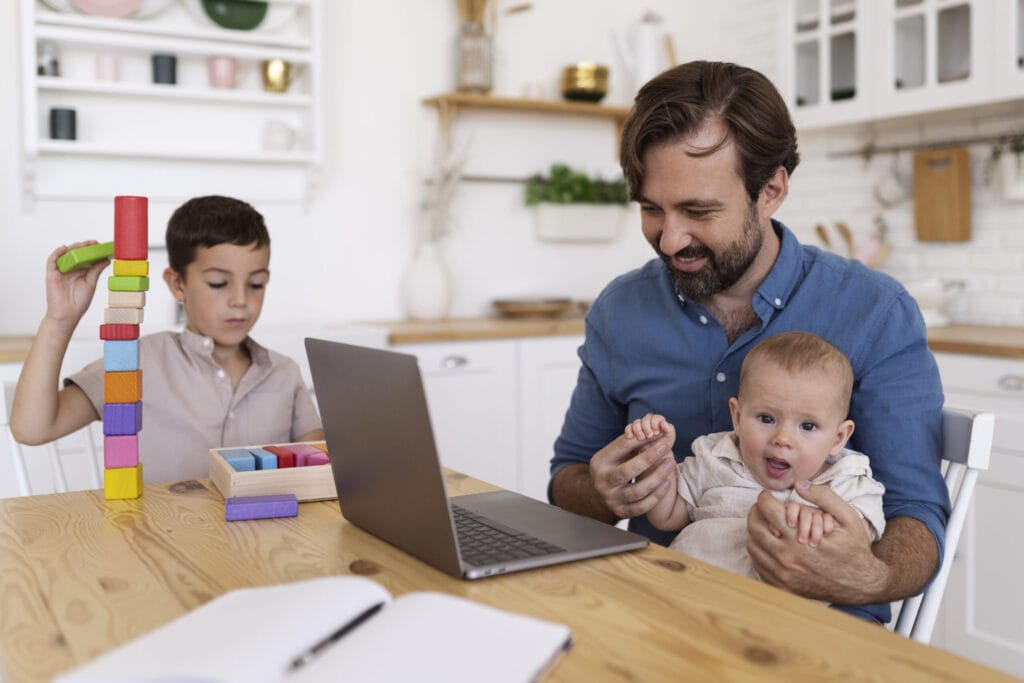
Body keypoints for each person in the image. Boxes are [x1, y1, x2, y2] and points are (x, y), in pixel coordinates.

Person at [548, 61, 948, 624]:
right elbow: (566, 477)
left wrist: (871, 576)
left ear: (772, 190)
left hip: (818, 631)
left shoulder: (874, 312)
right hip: (657, 611)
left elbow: (917, 513)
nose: (670, 238)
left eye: (698, 211)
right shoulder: (621, 310)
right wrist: (603, 492)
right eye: (650, 209)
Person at [10, 195, 324, 483]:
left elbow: (321, 466)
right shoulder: (138, 361)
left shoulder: (284, 373)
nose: (240, 299)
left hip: (261, 542)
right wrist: (59, 320)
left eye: (256, 284)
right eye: (218, 283)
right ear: (177, 284)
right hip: (160, 540)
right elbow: (32, 428)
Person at [624, 332, 885, 586]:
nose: (783, 438)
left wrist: (822, 526)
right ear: (737, 417)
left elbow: (857, 544)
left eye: (807, 426)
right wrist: (656, 458)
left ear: (838, 437)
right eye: (767, 419)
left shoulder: (847, 480)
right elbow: (666, 516)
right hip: (682, 588)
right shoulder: (716, 457)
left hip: (772, 616)